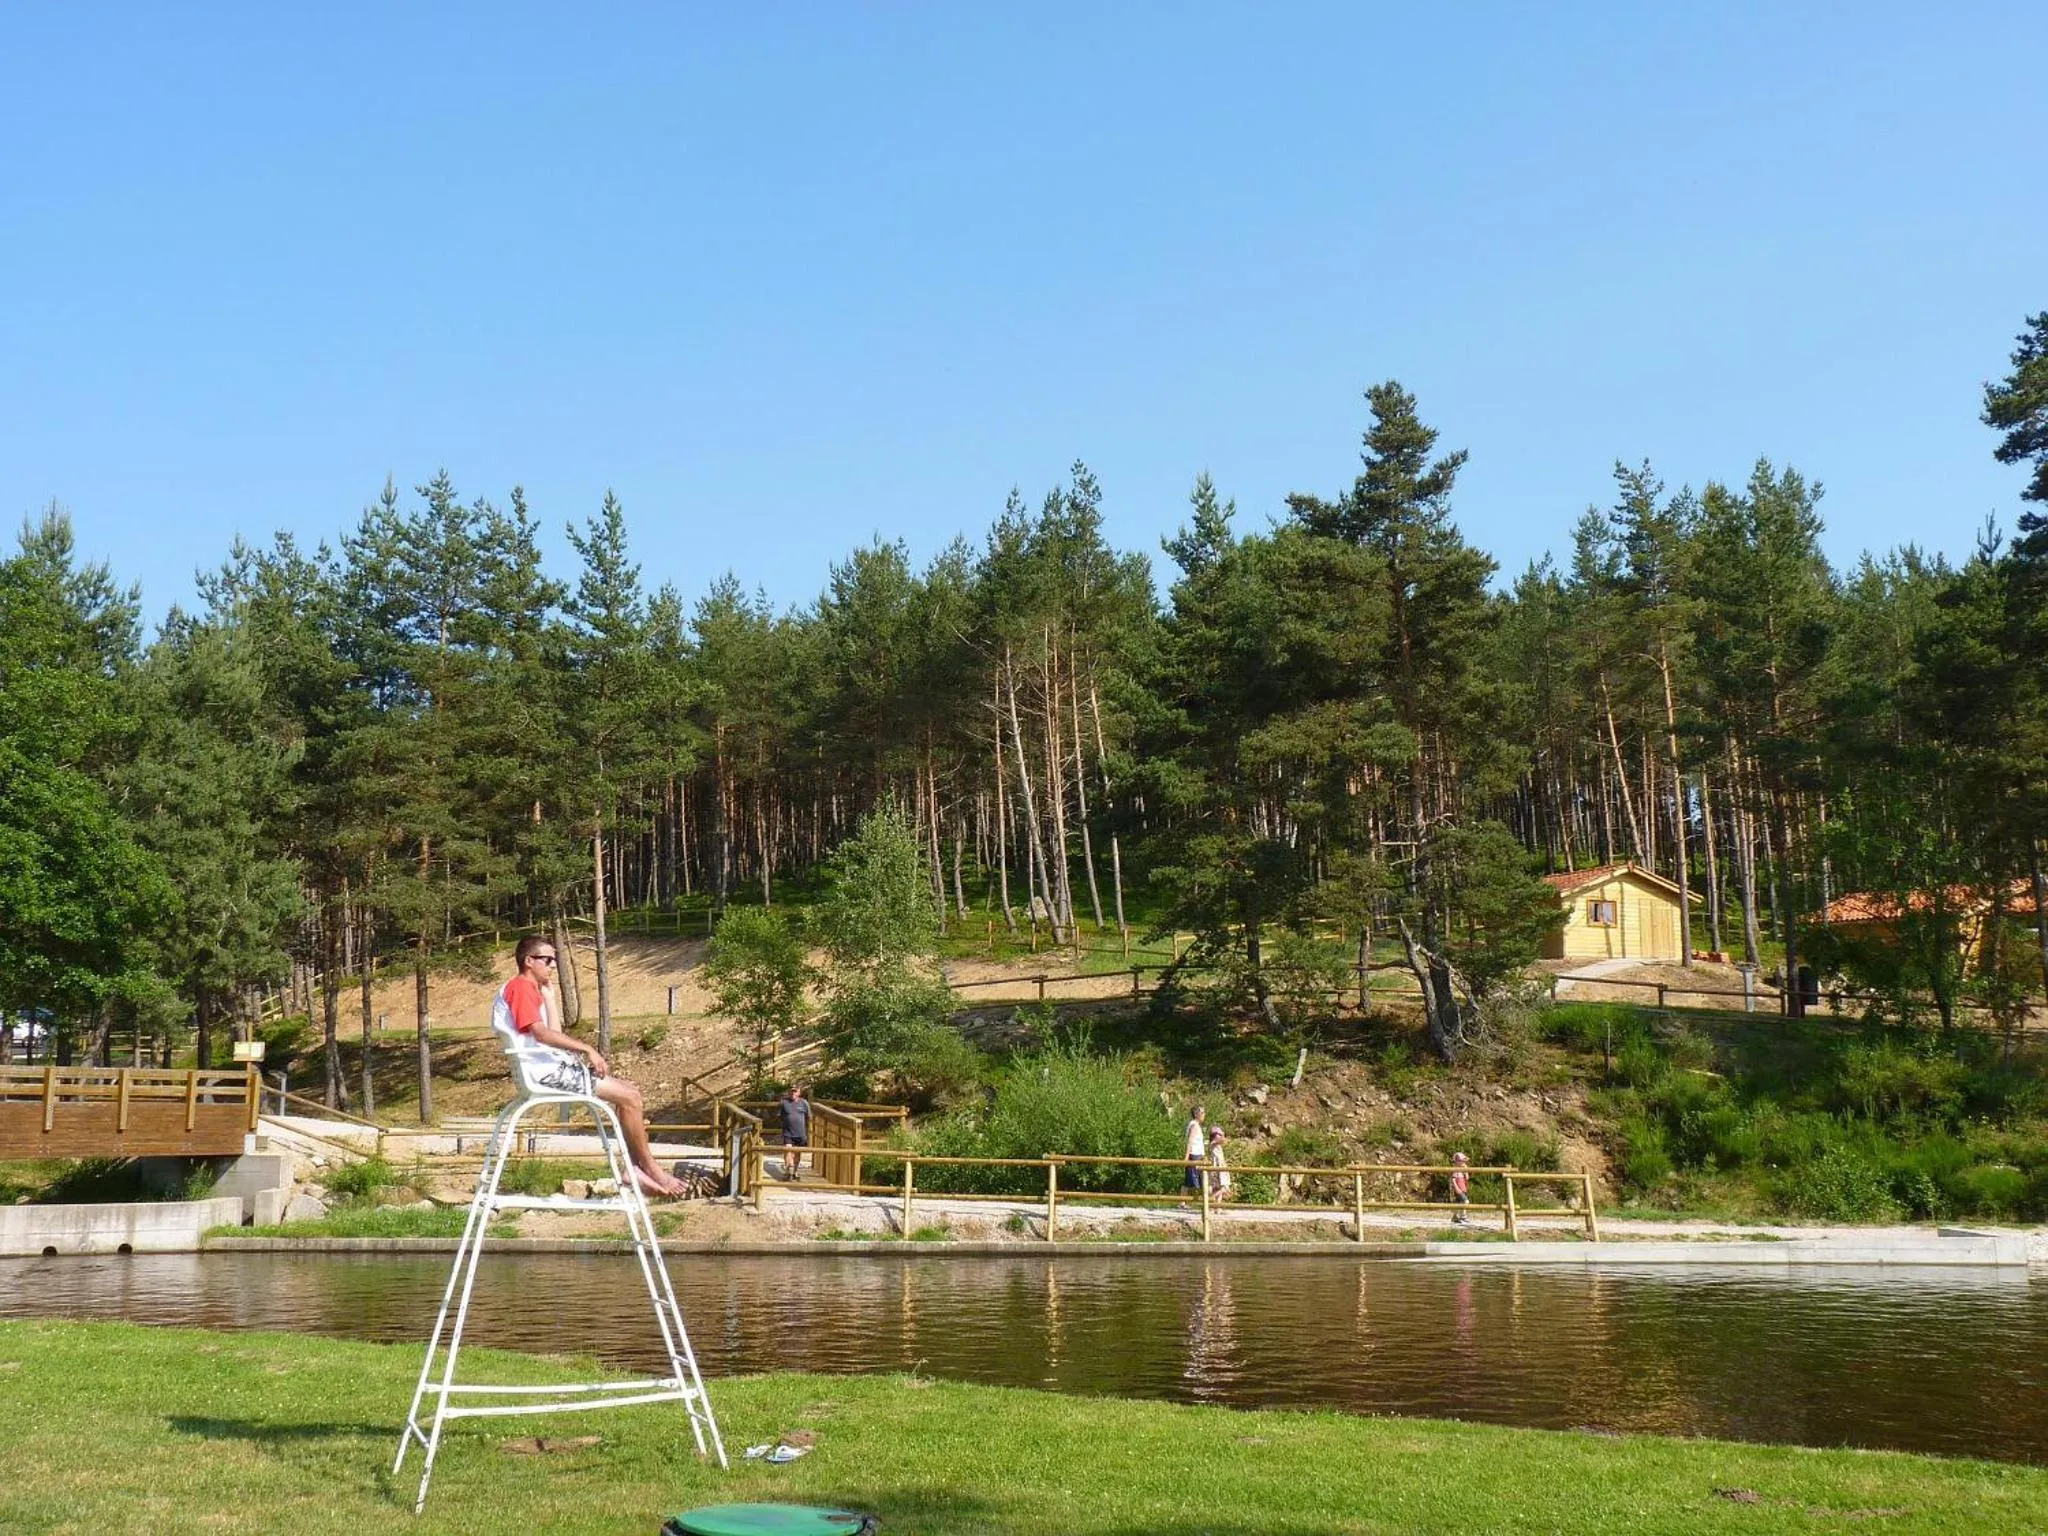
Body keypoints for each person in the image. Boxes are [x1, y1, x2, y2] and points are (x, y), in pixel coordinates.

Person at [491, 934, 684, 1198]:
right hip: (545, 1074)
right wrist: (587, 1048)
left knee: (629, 1093)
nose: (553, 966)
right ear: (528, 961)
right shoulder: (521, 987)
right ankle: (649, 1169)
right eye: (547, 959)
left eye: (554, 960)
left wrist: (549, 997)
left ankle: (635, 1168)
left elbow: (552, 1034)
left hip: (548, 1068)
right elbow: (541, 1035)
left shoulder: (530, 990)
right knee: (630, 1097)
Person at [780, 1084, 811, 1179]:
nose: (793, 1093)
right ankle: (789, 1170)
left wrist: (807, 1130)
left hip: (800, 1133)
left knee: (797, 1153)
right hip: (788, 1133)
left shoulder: (804, 1103)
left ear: (799, 1093)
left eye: (795, 1091)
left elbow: (809, 1117)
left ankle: (795, 1172)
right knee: (788, 1150)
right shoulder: (784, 1103)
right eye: (792, 1091)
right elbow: (780, 1116)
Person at [1182, 1104, 1208, 1198]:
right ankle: (1183, 1201)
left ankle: (1183, 1201)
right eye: (1202, 1112)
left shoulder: (1195, 1125)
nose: (1204, 1115)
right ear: (1196, 1114)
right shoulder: (1194, 1126)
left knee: (1191, 1179)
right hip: (1194, 1155)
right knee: (1192, 1179)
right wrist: (1186, 1157)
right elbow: (1190, 1141)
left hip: (1197, 1155)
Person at [1207, 1126, 1232, 1200]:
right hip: (1215, 1166)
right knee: (1218, 1188)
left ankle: (1217, 1207)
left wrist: (1222, 1134)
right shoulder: (1213, 1143)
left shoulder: (1218, 1145)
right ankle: (1210, 1199)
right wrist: (1223, 1134)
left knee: (1221, 1187)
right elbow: (1222, 1140)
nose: (1220, 1136)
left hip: (1221, 1166)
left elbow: (1224, 1141)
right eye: (1218, 1134)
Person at [1449, 1151, 1471, 1226]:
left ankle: (1455, 1217)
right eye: (1461, 1161)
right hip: (1458, 1189)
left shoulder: (1463, 1169)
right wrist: (1456, 1188)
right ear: (1457, 1162)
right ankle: (1463, 1216)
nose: (1463, 1162)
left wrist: (1465, 1171)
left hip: (1463, 1188)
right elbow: (1453, 1180)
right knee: (1466, 1201)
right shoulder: (1455, 1169)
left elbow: (1467, 1178)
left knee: (1458, 1203)